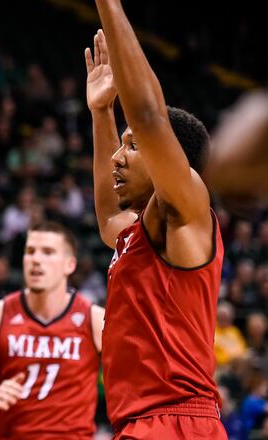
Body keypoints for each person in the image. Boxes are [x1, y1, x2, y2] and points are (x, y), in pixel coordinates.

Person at [86, 2, 226, 437]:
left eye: (132, 147)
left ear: (170, 159)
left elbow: (148, 116)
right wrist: (102, 113)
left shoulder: (186, 209)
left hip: (178, 419)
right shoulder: (139, 234)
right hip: (143, 422)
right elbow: (110, 215)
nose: (118, 157)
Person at [0, 222, 104, 439]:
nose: (36, 259)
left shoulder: (94, 319)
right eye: (30, 251)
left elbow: (131, 386)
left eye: (48, 252)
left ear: (70, 265)